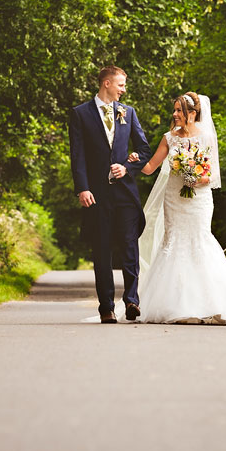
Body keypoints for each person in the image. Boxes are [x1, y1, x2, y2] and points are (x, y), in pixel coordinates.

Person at [127, 92, 226, 326]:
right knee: (174, 241)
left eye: (179, 111)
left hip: (199, 199)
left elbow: (211, 175)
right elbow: (150, 167)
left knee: (200, 241)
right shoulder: (169, 138)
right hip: (174, 198)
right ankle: (176, 305)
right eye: (174, 110)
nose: (175, 114)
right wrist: (133, 160)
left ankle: (213, 305)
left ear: (193, 114)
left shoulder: (207, 137)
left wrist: (194, 178)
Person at [68, 66, 152, 323]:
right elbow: (78, 155)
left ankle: (132, 301)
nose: (124, 90)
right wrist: (82, 188)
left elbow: (144, 151)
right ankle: (106, 307)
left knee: (129, 246)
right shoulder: (80, 114)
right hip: (97, 194)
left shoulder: (129, 112)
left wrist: (127, 166)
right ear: (106, 83)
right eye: (121, 85)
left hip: (125, 193)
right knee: (102, 249)